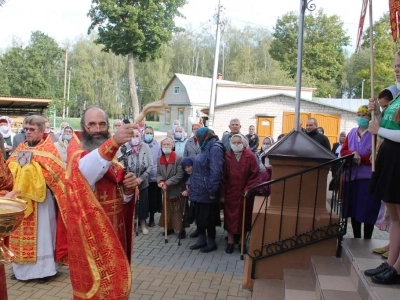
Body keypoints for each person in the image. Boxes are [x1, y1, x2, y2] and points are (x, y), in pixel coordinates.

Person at [66, 107, 137, 299]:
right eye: (92, 124)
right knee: (96, 287)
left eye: (102, 124)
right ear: (83, 127)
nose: (97, 129)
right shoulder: (76, 151)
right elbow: (87, 170)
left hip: (115, 231)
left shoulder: (113, 155)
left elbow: (122, 196)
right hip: (90, 236)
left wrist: (129, 190)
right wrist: (113, 142)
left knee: (116, 284)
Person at [7, 115, 68, 283]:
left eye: (32, 129)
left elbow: (57, 174)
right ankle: (22, 271)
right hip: (20, 201)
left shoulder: (48, 149)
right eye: (26, 129)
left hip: (41, 202)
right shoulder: (20, 147)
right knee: (18, 234)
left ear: (42, 131)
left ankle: (45, 271)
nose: (28, 132)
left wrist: (35, 172)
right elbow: (9, 169)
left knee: (43, 234)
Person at [364, 51, 400, 284]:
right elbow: (386, 123)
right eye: (396, 65)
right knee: (395, 217)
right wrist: (376, 112)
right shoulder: (397, 97)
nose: (397, 68)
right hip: (391, 158)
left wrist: (380, 131)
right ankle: (390, 262)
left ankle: (398, 268)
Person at [340, 105, 380, 240]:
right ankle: (356, 237)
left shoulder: (375, 134)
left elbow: (377, 155)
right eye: (359, 115)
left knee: (368, 207)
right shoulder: (352, 132)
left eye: (364, 116)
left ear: (370, 118)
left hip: (368, 177)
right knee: (353, 208)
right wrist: (352, 154)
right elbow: (343, 150)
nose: (361, 118)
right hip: (351, 176)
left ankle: (367, 237)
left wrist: (362, 159)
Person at [221, 134, 260, 254]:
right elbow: (223, 177)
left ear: (243, 144)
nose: (236, 145)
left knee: (244, 218)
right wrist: (222, 194)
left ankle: (242, 242)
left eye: (239, 142)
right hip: (230, 193)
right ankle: (230, 242)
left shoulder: (250, 156)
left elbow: (255, 175)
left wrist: (248, 188)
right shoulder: (227, 156)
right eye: (234, 142)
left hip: (245, 194)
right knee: (230, 218)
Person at [189, 127, 224, 253]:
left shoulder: (215, 147)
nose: (197, 140)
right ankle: (202, 240)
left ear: (204, 136)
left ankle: (211, 242)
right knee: (200, 217)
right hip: (199, 190)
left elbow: (216, 171)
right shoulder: (206, 146)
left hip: (207, 191)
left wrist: (212, 191)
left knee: (208, 218)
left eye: (198, 137)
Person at [157, 138, 187, 238]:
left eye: (168, 144)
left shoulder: (179, 158)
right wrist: (160, 182)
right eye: (164, 144)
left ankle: (181, 230)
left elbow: (179, 175)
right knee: (167, 210)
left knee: (178, 210)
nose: (166, 146)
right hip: (165, 190)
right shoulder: (159, 159)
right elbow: (158, 173)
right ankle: (169, 228)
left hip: (177, 189)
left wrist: (167, 183)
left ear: (173, 145)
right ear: (161, 146)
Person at [126, 128, 153, 235]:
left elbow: (150, 165)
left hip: (143, 182)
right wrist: (132, 179)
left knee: (143, 204)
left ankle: (143, 224)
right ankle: (132, 223)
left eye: (137, 136)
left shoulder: (145, 147)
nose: (135, 138)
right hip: (130, 182)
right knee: (131, 204)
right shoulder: (126, 147)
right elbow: (123, 165)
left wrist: (141, 178)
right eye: (133, 136)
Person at [143, 126, 162, 227]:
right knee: (144, 199)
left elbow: (159, 160)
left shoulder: (157, 146)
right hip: (143, 176)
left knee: (153, 199)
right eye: (147, 133)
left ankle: (151, 218)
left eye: (150, 133)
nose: (149, 135)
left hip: (153, 177)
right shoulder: (140, 144)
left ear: (153, 135)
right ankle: (143, 218)